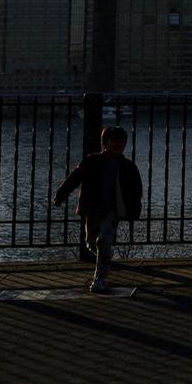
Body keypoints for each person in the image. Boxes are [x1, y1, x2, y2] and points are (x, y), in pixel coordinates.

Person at [53, 125, 143, 293]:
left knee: (103, 241)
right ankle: (105, 259)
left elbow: (136, 191)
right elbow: (75, 178)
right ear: (105, 143)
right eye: (114, 141)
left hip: (112, 211)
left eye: (121, 142)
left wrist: (134, 210)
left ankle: (99, 279)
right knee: (91, 243)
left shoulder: (128, 167)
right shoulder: (91, 161)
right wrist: (61, 194)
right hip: (93, 209)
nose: (117, 145)